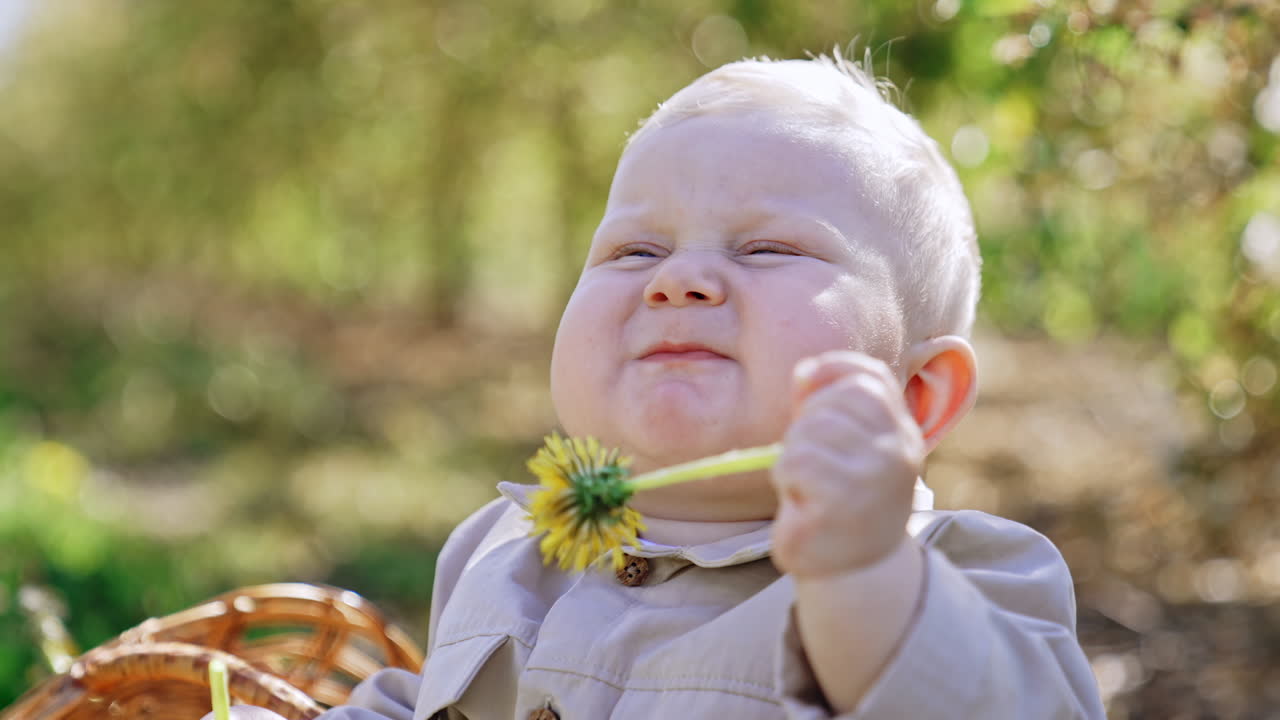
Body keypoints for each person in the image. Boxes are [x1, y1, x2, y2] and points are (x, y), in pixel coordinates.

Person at [218, 52, 1105, 719]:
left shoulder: (970, 573)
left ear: (916, 396)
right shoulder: (500, 544)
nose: (677, 280)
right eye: (633, 250)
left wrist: (867, 573)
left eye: (768, 249)